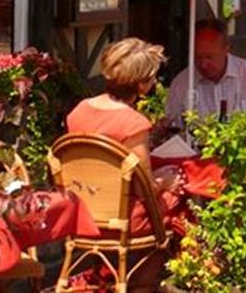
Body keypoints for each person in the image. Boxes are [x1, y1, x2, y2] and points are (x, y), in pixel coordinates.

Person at [61, 37, 181, 286]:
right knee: (181, 199)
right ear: (142, 84)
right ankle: (144, 282)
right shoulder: (133, 124)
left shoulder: (79, 111)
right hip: (122, 220)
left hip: (83, 213)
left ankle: (109, 276)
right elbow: (143, 188)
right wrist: (166, 182)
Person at [165, 18, 246, 128]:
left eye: (209, 57)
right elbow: (171, 129)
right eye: (198, 57)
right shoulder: (182, 84)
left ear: (226, 49)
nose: (203, 64)